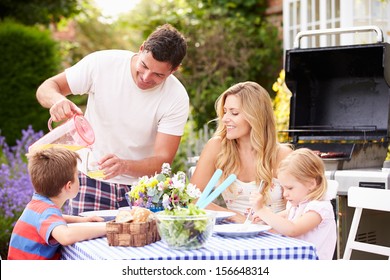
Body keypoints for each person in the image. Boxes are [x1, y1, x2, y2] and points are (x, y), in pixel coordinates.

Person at [35, 24, 189, 215]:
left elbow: (163, 160)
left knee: (139, 243)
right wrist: (57, 100)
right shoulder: (102, 64)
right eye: (144, 65)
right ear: (141, 49)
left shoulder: (176, 97)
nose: (146, 77)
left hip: (142, 190)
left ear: (174, 70)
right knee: (85, 243)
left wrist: (125, 166)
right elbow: (47, 88)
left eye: (158, 75)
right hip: (90, 181)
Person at [190, 81, 293, 223]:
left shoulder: (283, 155)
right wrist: (234, 216)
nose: (225, 118)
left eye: (234, 113)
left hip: (277, 234)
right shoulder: (217, 147)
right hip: (235, 235)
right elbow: (192, 198)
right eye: (225, 111)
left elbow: (297, 209)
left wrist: (270, 220)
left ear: (255, 116)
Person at [7, 147, 106, 260]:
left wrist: (81, 220)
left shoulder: (37, 204)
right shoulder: (46, 211)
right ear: (68, 186)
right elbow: (66, 236)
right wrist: (107, 228)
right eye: (77, 175)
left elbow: (54, 218)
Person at [250, 148, 337, 260]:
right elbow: (287, 215)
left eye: (289, 188)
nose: (285, 194)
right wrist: (266, 218)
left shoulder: (318, 209)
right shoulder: (298, 203)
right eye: (283, 188)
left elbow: (293, 230)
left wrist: (262, 210)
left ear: (311, 184)